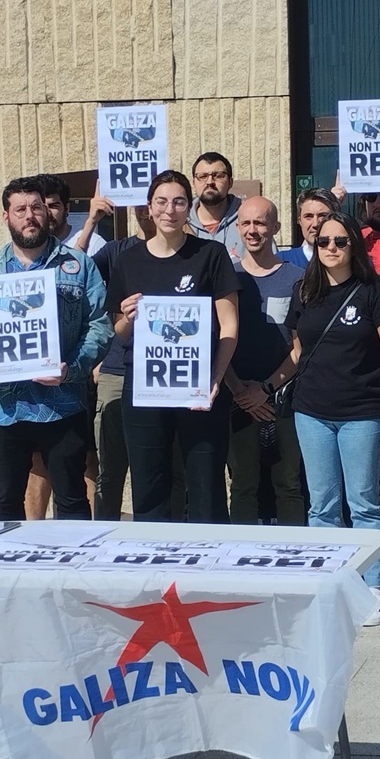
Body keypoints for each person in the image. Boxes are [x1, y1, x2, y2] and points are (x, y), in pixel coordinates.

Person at [0, 176, 112, 521]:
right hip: (5, 406)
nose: (30, 216)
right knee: (6, 503)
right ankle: (8, 572)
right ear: (6, 217)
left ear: (49, 212)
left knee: (72, 500)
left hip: (63, 404)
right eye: (21, 209)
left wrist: (71, 368)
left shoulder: (77, 265)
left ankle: (71, 573)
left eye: (37, 208)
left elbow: (99, 326)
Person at [286, 212, 380, 626]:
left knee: (364, 505)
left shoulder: (375, 293)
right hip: (312, 412)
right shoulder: (305, 291)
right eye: (323, 242)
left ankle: (371, 587)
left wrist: (377, 400)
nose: (331, 248)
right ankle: (325, 582)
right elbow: (299, 350)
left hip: (361, 414)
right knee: (322, 507)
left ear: (355, 245)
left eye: (340, 241)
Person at [108, 170, 240, 523]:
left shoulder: (210, 255)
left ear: (189, 207)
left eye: (179, 201)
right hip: (146, 387)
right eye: (162, 202)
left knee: (206, 484)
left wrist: (215, 380)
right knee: (150, 485)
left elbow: (229, 325)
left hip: (198, 387)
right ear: (149, 208)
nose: (170, 209)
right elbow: (119, 333)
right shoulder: (128, 261)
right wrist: (127, 317)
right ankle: (156, 568)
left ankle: (209, 566)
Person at [25, 174, 107, 519]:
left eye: (52, 205)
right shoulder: (18, 255)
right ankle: (32, 529)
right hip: (27, 377)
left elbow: (96, 308)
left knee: (85, 455)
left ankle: (81, 531)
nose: (44, 213)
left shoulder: (95, 246)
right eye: (37, 206)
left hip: (74, 374)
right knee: (35, 460)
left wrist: (89, 362)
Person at [224, 196, 307, 526]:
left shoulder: (297, 278)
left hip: (284, 397)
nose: (252, 230)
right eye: (245, 223)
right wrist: (241, 391)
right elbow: (217, 340)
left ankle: (293, 562)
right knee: (242, 485)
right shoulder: (226, 278)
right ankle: (241, 565)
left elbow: (301, 347)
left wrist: (267, 388)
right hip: (236, 397)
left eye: (260, 223)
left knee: (289, 484)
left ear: (275, 227)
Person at [90, 199, 156, 520]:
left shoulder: (193, 252)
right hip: (117, 370)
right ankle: (104, 535)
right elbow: (72, 272)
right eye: (138, 204)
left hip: (167, 374)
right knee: (111, 471)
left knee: (162, 469)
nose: (145, 210)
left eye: (152, 202)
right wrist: (91, 221)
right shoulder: (116, 251)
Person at [188, 152, 245, 259]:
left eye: (218, 176)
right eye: (203, 176)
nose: (210, 182)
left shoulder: (248, 221)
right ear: (193, 183)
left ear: (230, 182)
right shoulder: (181, 223)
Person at [39, 173, 107, 256]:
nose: (47, 213)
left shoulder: (93, 243)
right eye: (39, 207)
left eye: (53, 206)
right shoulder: (29, 250)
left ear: (67, 208)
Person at [280, 188, 341, 268]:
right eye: (308, 216)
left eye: (323, 216)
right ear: (300, 221)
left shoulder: (346, 262)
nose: (315, 224)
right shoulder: (282, 261)